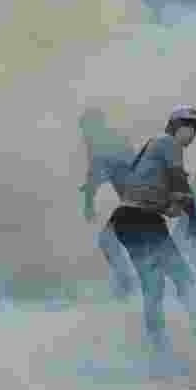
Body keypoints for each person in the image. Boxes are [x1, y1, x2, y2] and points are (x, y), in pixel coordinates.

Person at [110, 105, 196, 369]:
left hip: (125, 220)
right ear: (176, 125)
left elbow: (153, 192)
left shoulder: (153, 147)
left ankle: (158, 354)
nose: (192, 134)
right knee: (183, 277)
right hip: (141, 219)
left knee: (154, 288)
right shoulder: (168, 143)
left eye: (195, 130)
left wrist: (171, 206)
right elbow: (181, 185)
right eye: (189, 126)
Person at [78, 107, 140, 300]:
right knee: (114, 241)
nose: (84, 135)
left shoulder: (104, 143)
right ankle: (128, 283)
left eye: (86, 129)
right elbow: (98, 173)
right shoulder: (104, 143)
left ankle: (128, 283)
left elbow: (97, 174)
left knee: (109, 241)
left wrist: (88, 201)